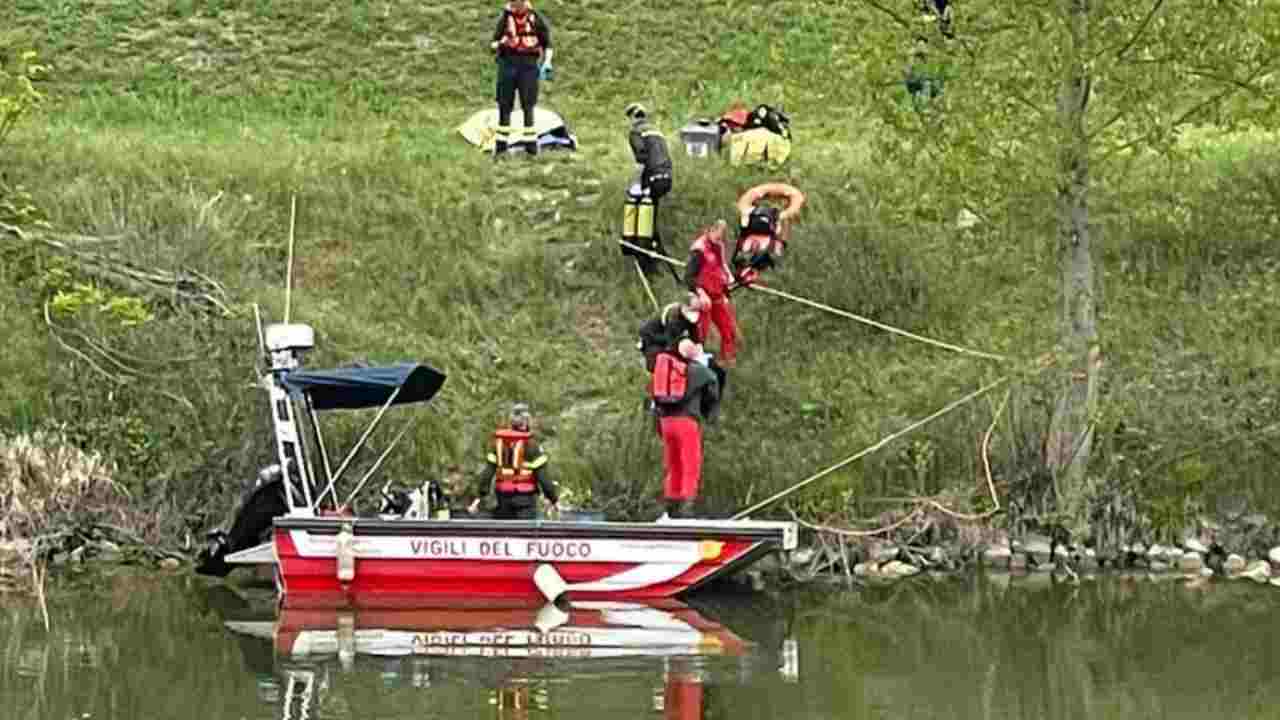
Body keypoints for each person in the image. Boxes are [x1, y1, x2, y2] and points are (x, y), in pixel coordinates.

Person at [650, 339, 720, 519]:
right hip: (686, 421)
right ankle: (686, 511)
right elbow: (714, 386)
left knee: (673, 464)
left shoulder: (667, 369)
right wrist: (708, 413)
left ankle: (670, 509)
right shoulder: (699, 370)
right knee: (690, 464)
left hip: (665, 422)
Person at [469, 402, 559, 519]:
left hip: (502, 498)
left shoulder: (498, 444)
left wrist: (478, 498)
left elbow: (487, 474)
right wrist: (554, 500)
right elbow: (543, 478)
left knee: (504, 533)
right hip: (525, 500)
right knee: (524, 534)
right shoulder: (532, 446)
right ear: (526, 422)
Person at [490, 0, 553, 158]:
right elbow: (493, 43)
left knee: (528, 104)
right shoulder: (505, 19)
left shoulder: (536, 19)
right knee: (504, 105)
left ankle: (531, 148)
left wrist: (547, 62)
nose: (516, 5)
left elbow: (547, 44)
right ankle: (501, 148)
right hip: (508, 64)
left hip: (529, 65)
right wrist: (500, 44)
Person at [622, 102, 676, 276]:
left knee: (644, 218)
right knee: (651, 218)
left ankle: (647, 262)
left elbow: (641, 158)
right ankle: (656, 253)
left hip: (652, 177)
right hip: (666, 177)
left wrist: (635, 184)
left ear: (631, 118)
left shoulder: (635, 132)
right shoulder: (656, 131)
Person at [684, 220, 739, 367]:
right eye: (718, 234)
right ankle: (695, 365)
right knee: (700, 334)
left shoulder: (718, 247)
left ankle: (727, 363)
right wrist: (700, 293)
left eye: (722, 236)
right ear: (709, 230)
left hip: (717, 295)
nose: (720, 238)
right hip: (703, 298)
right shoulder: (699, 250)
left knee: (728, 330)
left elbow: (721, 268)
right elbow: (688, 277)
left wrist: (727, 289)